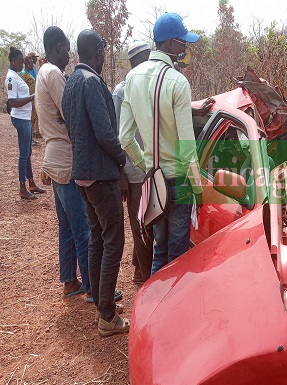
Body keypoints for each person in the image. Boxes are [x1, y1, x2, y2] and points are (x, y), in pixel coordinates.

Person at [120, 13, 203, 275]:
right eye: (182, 42)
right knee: (178, 256)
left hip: (152, 180)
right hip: (178, 180)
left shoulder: (132, 78)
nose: (185, 48)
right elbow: (188, 147)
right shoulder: (177, 82)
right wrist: (198, 189)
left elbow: (124, 137)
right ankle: (173, 312)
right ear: (168, 44)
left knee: (160, 248)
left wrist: (146, 163)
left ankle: (154, 306)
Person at [62, 29, 129, 336]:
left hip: (82, 176)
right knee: (113, 240)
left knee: (98, 239)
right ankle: (106, 316)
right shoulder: (91, 82)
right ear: (99, 53)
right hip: (101, 176)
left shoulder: (71, 82)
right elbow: (104, 133)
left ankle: (100, 301)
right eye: (104, 52)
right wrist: (122, 160)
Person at [36, 26, 91, 299]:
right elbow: (70, 112)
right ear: (58, 46)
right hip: (65, 160)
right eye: (67, 49)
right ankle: (93, 287)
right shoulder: (54, 74)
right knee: (82, 227)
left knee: (67, 226)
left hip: (53, 158)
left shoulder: (42, 73)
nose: (68, 55)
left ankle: (70, 280)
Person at [112, 40, 153, 283]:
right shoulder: (122, 91)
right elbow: (118, 135)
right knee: (140, 225)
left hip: (149, 167)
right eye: (145, 59)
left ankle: (140, 265)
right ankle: (145, 277)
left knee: (147, 222)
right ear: (134, 63)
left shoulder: (150, 86)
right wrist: (121, 173)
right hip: (133, 170)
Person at [5, 46, 45, 200]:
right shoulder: (11, 78)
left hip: (25, 117)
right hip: (20, 118)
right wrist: (31, 97)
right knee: (24, 154)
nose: (23, 64)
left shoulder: (16, 75)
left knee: (27, 152)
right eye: (21, 61)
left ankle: (31, 183)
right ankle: (22, 187)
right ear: (14, 61)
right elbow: (13, 102)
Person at [20, 56, 40, 144]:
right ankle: (28, 139)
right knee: (30, 120)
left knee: (33, 120)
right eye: (31, 64)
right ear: (27, 65)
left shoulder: (28, 73)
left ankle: (30, 138)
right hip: (29, 100)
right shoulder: (23, 74)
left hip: (32, 99)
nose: (33, 66)